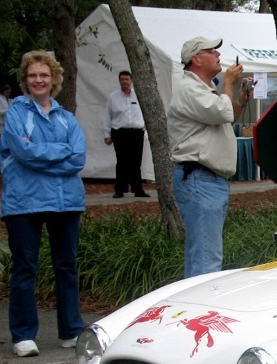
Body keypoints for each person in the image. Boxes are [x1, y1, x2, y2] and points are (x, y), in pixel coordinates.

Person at [0, 50, 86, 358]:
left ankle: (71, 330)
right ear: (25, 80)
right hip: (24, 203)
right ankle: (23, 335)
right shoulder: (16, 114)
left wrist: (39, 153)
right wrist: (57, 152)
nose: (39, 80)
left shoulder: (67, 117)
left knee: (67, 267)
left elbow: (78, 158)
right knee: (25, 268)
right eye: (33, 75)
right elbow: (22, 154)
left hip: (66, 203)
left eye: (44, 75)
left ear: (54, 80)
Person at [167, 36, 252, 278]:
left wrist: (239, 101)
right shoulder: (189, 89)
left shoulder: (204, 90)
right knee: (206, 259)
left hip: (208, 180)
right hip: (199, 179)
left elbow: (226, 117)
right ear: (196, 59)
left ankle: (194, 311)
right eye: (211, 51)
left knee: (205, 255)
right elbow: (221, 112)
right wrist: (228, 82)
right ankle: (197, 313)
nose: (217, 54)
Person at [103, 70, 149, 198]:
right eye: (122, 79)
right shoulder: (113, 97)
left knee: (136, 162)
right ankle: (120, 190)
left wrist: (146, 125)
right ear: (119, 81)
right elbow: (107, 116)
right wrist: (107, 134)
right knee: (122, 162)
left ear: (131, 81)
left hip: (136, 132)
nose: (124, 82)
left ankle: (138, 189)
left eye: (127, 79)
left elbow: (147, 111)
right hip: (120, 132)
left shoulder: (139, 95)